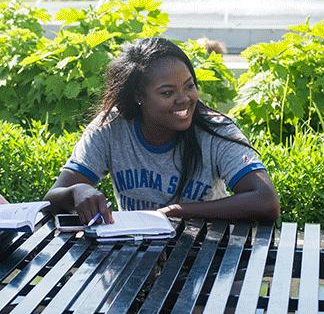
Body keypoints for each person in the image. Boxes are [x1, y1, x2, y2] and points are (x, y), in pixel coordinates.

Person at [44, 37, 280, 224]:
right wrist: (77, 190)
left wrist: (179, 211)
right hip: (138, 255)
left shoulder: (215, 131)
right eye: (167, 93)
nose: (184, 99)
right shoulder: (110, 128)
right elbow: (51, 200)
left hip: (208, 257)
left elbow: (266, 201)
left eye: (189, 86)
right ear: (138, 96)